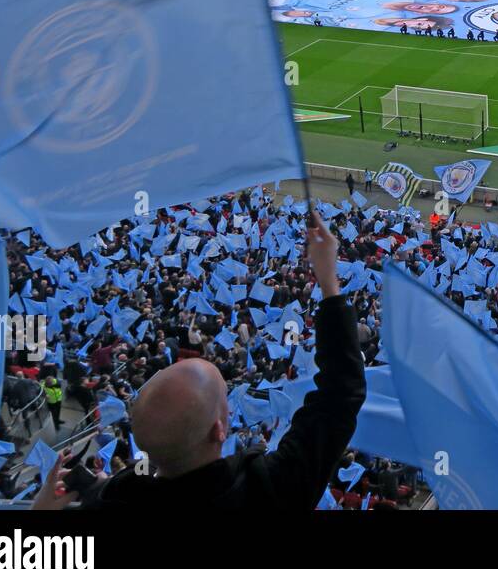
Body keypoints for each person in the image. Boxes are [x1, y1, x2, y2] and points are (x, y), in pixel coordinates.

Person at [34, 213, 364, 511]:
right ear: (220, 430)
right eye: (223, 404)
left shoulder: (117, 498)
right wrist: (329, 280)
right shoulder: (269, 488)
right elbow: (341, 394)